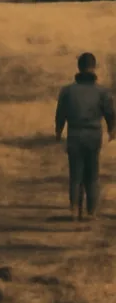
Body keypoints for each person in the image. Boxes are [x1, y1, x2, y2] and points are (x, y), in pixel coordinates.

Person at [55, 52, 116, 221]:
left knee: (75, 174)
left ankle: (74, 209)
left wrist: (58, 131)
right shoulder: (102, 91)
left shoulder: (67, 91)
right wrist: (112, 130)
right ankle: (91, 212)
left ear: (78, 67)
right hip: (93, 135)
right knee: (92, 174)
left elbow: (60, 114)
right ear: (94, 67)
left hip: (74, 134)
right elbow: (110, 113)